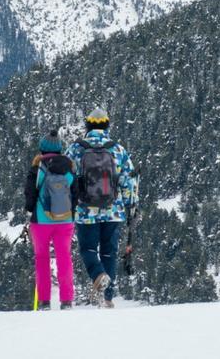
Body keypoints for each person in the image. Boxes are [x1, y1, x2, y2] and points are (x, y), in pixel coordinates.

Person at [65, 107, 138, 308]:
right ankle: (108, 298)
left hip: (85, 211)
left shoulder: (76, 149)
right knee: (109, 253)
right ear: (107, 126)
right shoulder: (118, 150)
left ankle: (98, 274)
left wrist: (69, 204)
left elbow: (67, 179)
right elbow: (128, 181)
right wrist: (130, 206)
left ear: (88, 126)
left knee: (88, 249)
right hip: (113, 210)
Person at [24, 129, 78, 311]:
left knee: (42, 259)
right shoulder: (69, 168)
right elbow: (76, 193)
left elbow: (29, 197)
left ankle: (44, 301)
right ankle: (66, 300)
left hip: (41, 221)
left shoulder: (37, 169)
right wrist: (70, 212)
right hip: (65, 220)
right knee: (64, 258)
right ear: (60, 149)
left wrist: (31, 210)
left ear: (42, 149)